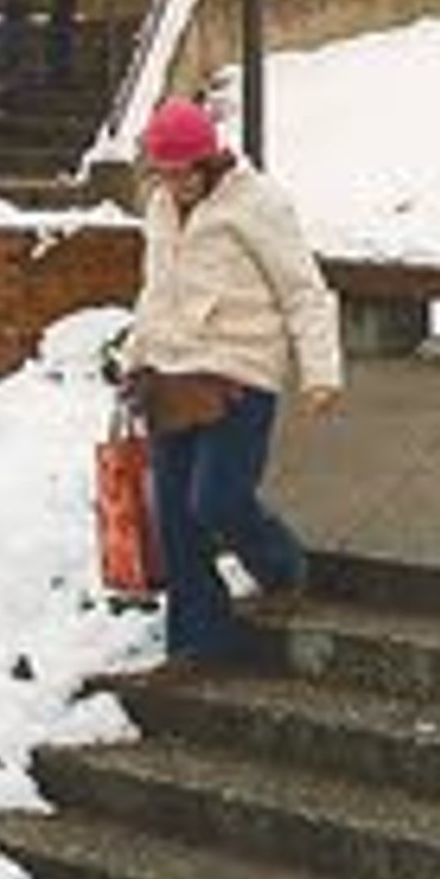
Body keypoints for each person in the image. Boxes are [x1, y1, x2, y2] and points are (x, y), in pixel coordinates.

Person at [121, 98, 343, 665]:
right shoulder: (159, 207)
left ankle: (281, 565)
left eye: (183, 173)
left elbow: (303, 291)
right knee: (176, 519)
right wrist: (135, 357)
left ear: (210, 161)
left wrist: (320, 372)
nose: (174, 185)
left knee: (216, 498)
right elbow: (157, 291)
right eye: (164, 175)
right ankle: (199, 642)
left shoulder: (258, 204)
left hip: (239, 373)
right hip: (169, 375)